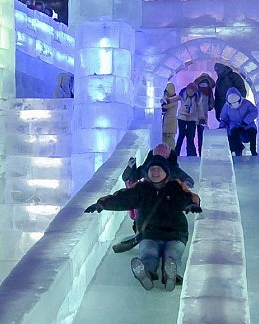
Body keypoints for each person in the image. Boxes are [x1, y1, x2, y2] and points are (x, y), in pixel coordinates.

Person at [84, 151, 201, 292]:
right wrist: (102, 204)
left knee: (173, 254)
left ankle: (171, 275)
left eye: (159, 169)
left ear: (166, 172)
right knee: (149, 254)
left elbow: (188, 196)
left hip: (175, 233)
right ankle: (146, 272)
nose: (155, 172)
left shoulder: (175, 187)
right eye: (152, 169)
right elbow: (122, 198)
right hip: (149, 234)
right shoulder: (141, 189)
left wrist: (192, 204)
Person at [219, 87, 259, 156]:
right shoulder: (226, 107)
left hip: (248, 124)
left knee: (252, 132)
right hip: (235, 125)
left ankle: (253, 150)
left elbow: (254, 112)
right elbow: (224, 119)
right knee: (234, 134)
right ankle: (238, 151)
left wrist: (246, 121)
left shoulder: (246, 103)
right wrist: (221, 128)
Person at [174, 80, 205, 158]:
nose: (190, 92)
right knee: (181, 135)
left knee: (190, 137)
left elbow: (200, 108)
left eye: (192, 91)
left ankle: (191, 155)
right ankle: (176, 154)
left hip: (192, 119)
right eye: (189, 90)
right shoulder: (182, 94)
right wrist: (166, 100)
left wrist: (201, 118)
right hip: (182, 118)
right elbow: (174, 99)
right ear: (187, 89)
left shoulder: (197, 97)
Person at [160, 82, 180, 147]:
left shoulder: (174, 100)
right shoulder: (170, 99)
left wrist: (164, 98)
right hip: (166, 123)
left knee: (170, 141)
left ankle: (172, 154)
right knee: (164, 140)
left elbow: (165, 106)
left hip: (171, 123)